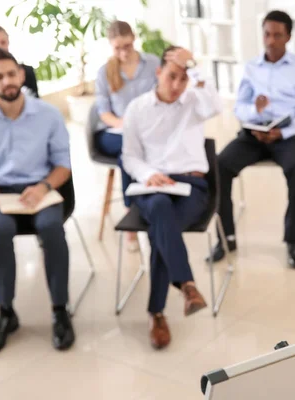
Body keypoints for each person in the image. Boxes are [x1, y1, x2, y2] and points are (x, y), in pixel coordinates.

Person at [0, 47, 74, 358]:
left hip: (41, 187)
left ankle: (60, 309)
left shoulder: (49, 114)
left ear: (22, 75)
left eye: (12, 74)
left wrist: (43, 186)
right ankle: (6, 313)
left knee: (52, 228)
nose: (7, 81)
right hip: (1, 192)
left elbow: (63, 165)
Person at [122, 45, 221, 349]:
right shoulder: (137, 108)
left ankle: (157, 312)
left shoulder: (194, 101)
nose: (177, 85)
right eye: (171, 77)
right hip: (152, 186)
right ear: (158, 73)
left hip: (192, 187)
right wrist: (147, 174)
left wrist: (194, 64)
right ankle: (187, 287)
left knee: (160, 232)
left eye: (183, 78)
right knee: (161, 209)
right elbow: (129, 156)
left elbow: (215, 105)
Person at [209, 10, 295, 268]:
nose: (270, 40)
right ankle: (227, 237)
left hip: (286, 134)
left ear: (288, 37)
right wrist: (254, 113)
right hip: (254, 134)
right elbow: (240, 107)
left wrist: (282, 132)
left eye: (277, 35)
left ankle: (292, 241)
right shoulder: (251, 67)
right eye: (267, 34)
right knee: (219, 166)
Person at [94, 20, 159, 251]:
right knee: (127, 150)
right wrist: (127, 124)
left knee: (138, 150)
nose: (123, 52)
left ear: (134, 40)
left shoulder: (152, 64)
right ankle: (131, 214)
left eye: (127, 46)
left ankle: (154, 205)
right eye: (117, 48)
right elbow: (104, 113)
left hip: (149, 130)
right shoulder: (105, 72)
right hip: (115, 133)